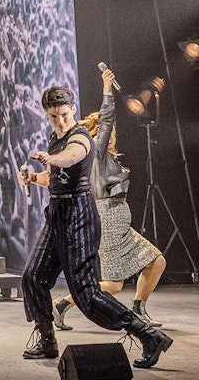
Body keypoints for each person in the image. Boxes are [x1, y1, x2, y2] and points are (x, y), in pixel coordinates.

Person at [19, 85, 172, 368]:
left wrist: (52, 159)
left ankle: (149, 335)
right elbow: (53, 178)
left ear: (73, 110)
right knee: (32, 277)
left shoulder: (80, 138)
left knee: (87, 294)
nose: (60, 121)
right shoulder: (55, 138)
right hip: (57, 214)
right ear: (47, 115)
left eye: (64, 114)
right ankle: (47, 340)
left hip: (78, 216)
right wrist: (31, 177)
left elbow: (72, 158)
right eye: (53, 117)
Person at [54, 69, 167, 330]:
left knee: (156, 260)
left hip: (117, 218)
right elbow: (106, 119)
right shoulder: (95, 152)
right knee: (113, 285)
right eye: (110, 130)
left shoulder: (105, 158)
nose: (113, 133)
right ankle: (62, 304)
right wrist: (107, 89)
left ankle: (139, 308)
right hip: (107, 218)